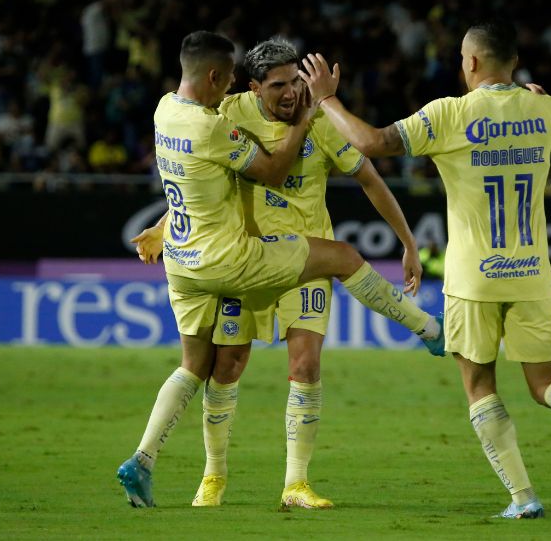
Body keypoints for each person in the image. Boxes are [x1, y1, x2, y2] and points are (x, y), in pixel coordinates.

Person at [298, 19, 551, 519]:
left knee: (480, 387)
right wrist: (541, 107)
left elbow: (370, 142)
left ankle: (523, 498)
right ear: (514, 63)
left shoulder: (449, 115)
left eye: (462, 58)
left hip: (473, 280)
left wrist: (327, 99)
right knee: (547, 384)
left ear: (472, 62)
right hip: (532, 275)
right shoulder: (543, 107)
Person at [117, 30, 444, 509]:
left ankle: (296, 484)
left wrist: (409, 241)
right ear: (252, 89)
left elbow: (371, 180)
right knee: (224, 368)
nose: (292, 93)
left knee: (305, 365)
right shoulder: (228, 115)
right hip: (243, 258)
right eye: (278, 86)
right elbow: (200, 174)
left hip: (298, 258)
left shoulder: (321, 120)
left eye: (296, 82)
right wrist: (163, 225)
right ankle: (213, 476)